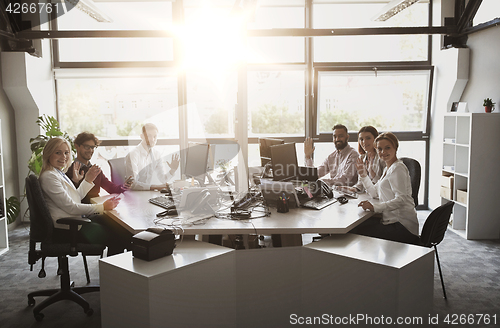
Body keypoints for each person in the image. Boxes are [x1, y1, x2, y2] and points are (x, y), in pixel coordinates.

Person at [39, 137, 130, 256]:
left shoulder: (58, 172)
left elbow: (75, 197)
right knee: (118, 237)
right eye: (58, 152)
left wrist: (87, 180)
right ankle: (115, 272)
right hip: (69, 228)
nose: (64, 157)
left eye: (66, 152)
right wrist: (102, 207)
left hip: (75, 221)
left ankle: (123, 269)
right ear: (48, 154)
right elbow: (71, 207)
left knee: (116, 225)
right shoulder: (49, 177)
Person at [353, 132, 419, 244]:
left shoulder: (398, 168)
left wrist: (375, 207)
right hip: (391, 221)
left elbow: (401, 199)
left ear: (395, 148)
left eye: (387, 148)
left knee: (356, 232)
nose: (383, 152)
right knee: (359, 227)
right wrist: (363, 175)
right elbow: (374, 193)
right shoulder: (388, 168)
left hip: (402, 226)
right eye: (379, 149)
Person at [66, 132, 132, 204]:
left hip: (98, 208)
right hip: (85, 211)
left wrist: (124, 186)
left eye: (92, 147)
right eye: (87, 147)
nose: (90, 150)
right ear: (76, 146)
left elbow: (111, 188)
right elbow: (70, 198)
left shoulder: (95, 170)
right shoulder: (69, 170)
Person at [125, 123, 180, 190]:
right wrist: (155, 187)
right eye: (149, 136)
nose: (152, 139)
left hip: (147, 193)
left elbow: (163, 179)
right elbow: (133, 184)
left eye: (155, 136)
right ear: (141, 136)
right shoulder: (133, 155)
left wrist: (172, 170)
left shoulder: (156, 154)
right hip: (133, 194)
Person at [339, 126, 385, 193]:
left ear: (376, 139)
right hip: (368, 195)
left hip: (381, 196)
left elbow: (384, 185)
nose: (364, 142)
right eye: (361, 139)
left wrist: (371, 172)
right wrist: (353, 189)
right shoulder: (362, 158)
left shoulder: (383, 158)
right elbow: (361, 184)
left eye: (368, 138)